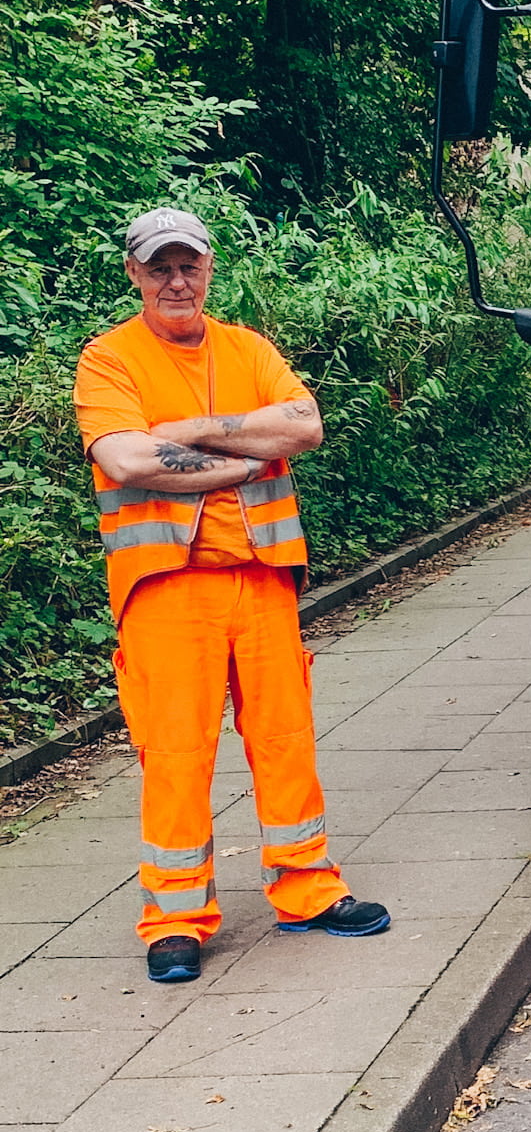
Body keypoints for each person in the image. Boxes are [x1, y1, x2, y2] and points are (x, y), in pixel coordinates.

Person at [75, 209, 390, 985]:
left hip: (261, 576)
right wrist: (243, 459)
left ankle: (308, 887)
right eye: (160, 268)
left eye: (189, 266)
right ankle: (175, 917)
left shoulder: (248, 348)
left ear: (209, 269)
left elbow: (305, 426)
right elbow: (126, 458)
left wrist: (189, 430)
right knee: (176, 751)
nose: (176, 282)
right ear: (134, 273)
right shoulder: (108, 361)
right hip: (165, 590)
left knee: (286, 738)